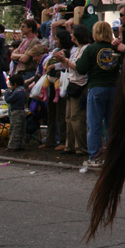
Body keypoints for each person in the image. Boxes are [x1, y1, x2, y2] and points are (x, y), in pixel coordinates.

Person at [75, 21, 121, 168]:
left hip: (96, 87)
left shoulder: (91, 49)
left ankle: (95, 156)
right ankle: (111, 155)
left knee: (94, 125)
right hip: (114, 87)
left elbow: (81, 69)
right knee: (110, 124)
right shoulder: (115, 48)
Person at [52, 24, 90, 156]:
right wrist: (63, 60)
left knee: (77, 117)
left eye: (73, 33)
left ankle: (81, 147)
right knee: (68, 116)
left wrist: (64, 60)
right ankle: (70, 145)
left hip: (80, 85)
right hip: (72, 83)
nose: (71, 35)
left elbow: (79, 67)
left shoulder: (86, 49)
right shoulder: (77, 49)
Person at [3, 74, 28, 152]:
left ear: (15, 84)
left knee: (15, 129)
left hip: (16, 112)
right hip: (22, 111)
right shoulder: (23, 91)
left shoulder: (18, 93)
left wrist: (6, 93)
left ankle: (13, 146)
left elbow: (9, 100)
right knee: (21, 129)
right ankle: (20, 144)